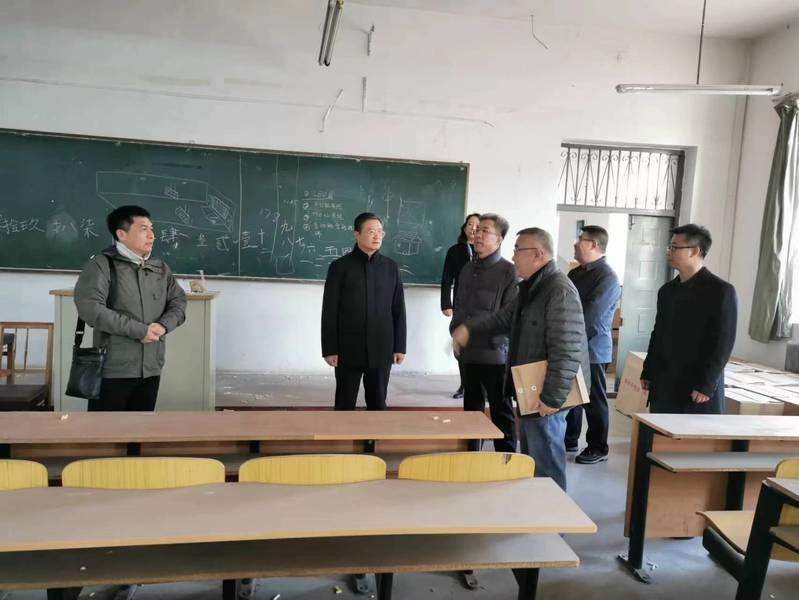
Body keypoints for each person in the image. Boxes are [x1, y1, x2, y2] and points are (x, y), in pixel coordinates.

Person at [452, 227, 589, 491]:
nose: (513, 256)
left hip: (546, 393)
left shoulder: (558, 290)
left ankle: (551, 513)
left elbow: (568, 349)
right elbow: (503, 318)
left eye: (517, 250)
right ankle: (536, 506)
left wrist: (552, 397)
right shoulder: (531, 287)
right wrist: (469, 328)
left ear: (537, 254)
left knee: (546, 462)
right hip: (531, 388)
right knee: (533, 456)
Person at [74, 205, 187, 412]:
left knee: (141, 428)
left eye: (152, 229)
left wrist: (163, 326)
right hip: (113, 368)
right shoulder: (102, 265)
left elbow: (178, 301)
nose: (151, 235)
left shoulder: (160, 268)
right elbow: (91, 309)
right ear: (121, 234)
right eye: (144, 229)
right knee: (106, 429)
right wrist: (140, 331)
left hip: (151, 366)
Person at [640, 224, 737, 414]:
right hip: (664, 379)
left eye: (675, 247)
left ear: (694, 251)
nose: (669, 251)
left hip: (696, 385)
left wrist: (706, 384)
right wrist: (648, 370)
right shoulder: (667, 291)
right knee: (659, 429)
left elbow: (723, 342)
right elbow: (658, 333)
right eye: (669, 247)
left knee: (693, 431)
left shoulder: (721, 291)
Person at [321, 212, 407, 411]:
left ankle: (374, 433)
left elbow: (398, 309)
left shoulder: (391, 267)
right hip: (348, 349)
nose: (377, 236)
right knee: (344, 404)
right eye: (371, 231)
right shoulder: (339, 267)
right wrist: (330, 349)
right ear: (356, 234)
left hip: (381, 348)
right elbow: (330, 310)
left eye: (380, 232)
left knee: (378, 404)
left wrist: (399, 346)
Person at [450, 214, 518, 452]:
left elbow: (508, 317)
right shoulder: (468, 268)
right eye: (477, 230)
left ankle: (507, 459)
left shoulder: (509, 272)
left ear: (499, 239)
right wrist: (455, 329)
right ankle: (472, 456)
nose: (477, 234)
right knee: (471, 411)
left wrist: (471, 330)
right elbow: (460, 305)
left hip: (495, 355)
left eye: (485, 231)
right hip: (468, 353)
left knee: (501, 412)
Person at [564, 225, 621, 465]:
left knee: (594, 399)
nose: (575, 243)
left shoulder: (607, 277)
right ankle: (570, 439)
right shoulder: (575, 274)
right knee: (571, 395)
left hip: (593, 349)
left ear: (594, 245)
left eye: (581, 239)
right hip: (570, 344)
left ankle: (599, 446)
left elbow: (592, 317)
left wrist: (566, 338)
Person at [440, 213, 481, 399]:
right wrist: (446, 304)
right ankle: (464, 385)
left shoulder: (486, 251)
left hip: (483, 309)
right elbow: (446, 279)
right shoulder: (455, 251)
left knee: (481, 349)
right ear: (464, 228)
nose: (473, 228)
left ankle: (480, 387)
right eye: (470, 224)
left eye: (477, 225)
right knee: (461, 348)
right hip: (461, 306)